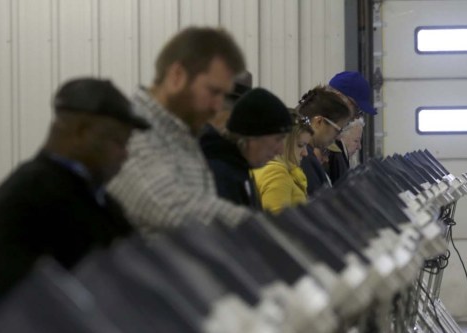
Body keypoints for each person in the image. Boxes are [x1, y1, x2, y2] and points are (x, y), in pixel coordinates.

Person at [0, 78, 149, 317]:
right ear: (80, 132)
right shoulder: (28, 194)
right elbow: (9, 313)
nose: (124, 155)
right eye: (117, 142)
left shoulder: (101, 202)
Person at [106, 27, 251, 237]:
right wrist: (266, 226)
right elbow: (176, 209)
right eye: (213, 92)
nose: (218, 106)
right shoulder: (132, 132)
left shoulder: (181, 134)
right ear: (177, 76)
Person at [201, 87, 292, 209]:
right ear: (253, 135)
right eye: (278, 139)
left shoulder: (238, 171)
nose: (280, 149)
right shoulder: (219, 177)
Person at [253, 112, 314, 213]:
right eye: (300, 145)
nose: (305, 153)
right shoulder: (276, 173)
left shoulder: (266, 167)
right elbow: (276, 224)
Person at [297, 86, 351, 196]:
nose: (338, 137)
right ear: (319, 122)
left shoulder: (306, 154)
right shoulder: (305, 158)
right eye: (337, 130)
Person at [326, 117, 364, 183]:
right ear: (341, 136)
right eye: (356, 141)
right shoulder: (336, 157)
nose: (359, 147)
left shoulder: (340, 156)